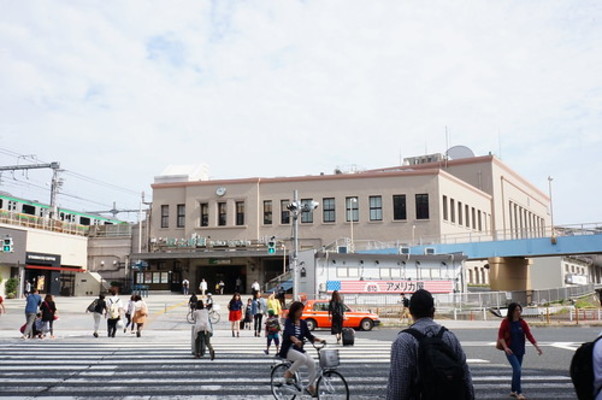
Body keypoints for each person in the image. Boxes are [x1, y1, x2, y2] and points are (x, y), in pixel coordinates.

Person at [386, 289, 474, 400]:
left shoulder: (404, 340)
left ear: (411, 311)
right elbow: (465, 375)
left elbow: (398, 388)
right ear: (433, 311)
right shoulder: (449, 336)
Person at [278, 301, 326, 397]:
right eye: (299, 310)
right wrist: (296, 341)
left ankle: (311, 386)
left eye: (302, 310)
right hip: (288, 349)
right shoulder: (289, 322)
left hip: (298, 349)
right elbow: (290, 334)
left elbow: (309, 335)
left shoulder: (303, 323)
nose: (301, 312)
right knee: (302, 358)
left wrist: (319, 340)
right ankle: (288, 373)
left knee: (312, 363)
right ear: (294, 311)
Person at [497, 302, 543, 400]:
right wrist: (505, 348)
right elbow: (500, 336)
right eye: (516, 310)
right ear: (511, 312)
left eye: (519, 310)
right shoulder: (506, 322)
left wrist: (537, 347)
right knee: (518, 369)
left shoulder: (522, 323)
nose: (518, 312)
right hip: (510, 350)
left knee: (516, 371)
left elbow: (529, 335)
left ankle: (513, 390)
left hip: (520, 350)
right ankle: (519, 393)